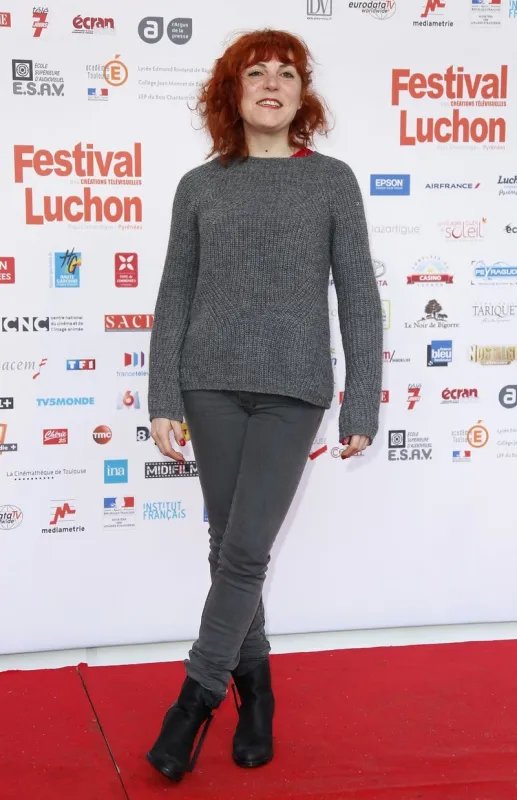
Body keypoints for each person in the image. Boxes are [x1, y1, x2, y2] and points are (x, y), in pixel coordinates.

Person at [145, 28, 383, 783]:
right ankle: (258, 693)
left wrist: (360, 408)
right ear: (233, 92)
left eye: (286, 73)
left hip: (293, 389)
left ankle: (193, 701)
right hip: (207, 384)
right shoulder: (201, 184)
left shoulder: (331, 181)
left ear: (301, 94)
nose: (272, 84)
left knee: (244, 551)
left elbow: (360, 299)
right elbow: (174, 295)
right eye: (256, 73)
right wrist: (161, 396)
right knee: (228, 553)